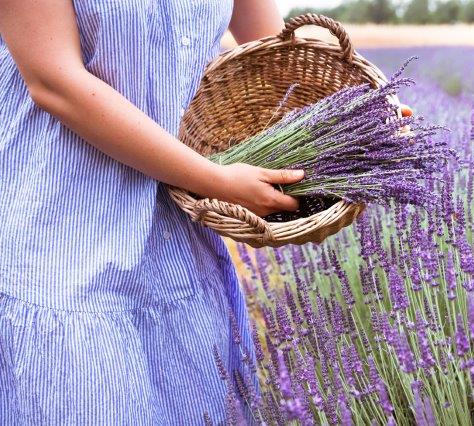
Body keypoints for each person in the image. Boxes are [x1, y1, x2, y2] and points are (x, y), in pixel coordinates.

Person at [0, 0, 301, 423]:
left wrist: (358, 113)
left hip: (177, 251)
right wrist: (215, 180)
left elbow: (276, 59)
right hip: (63, 241)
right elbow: (54, 82)